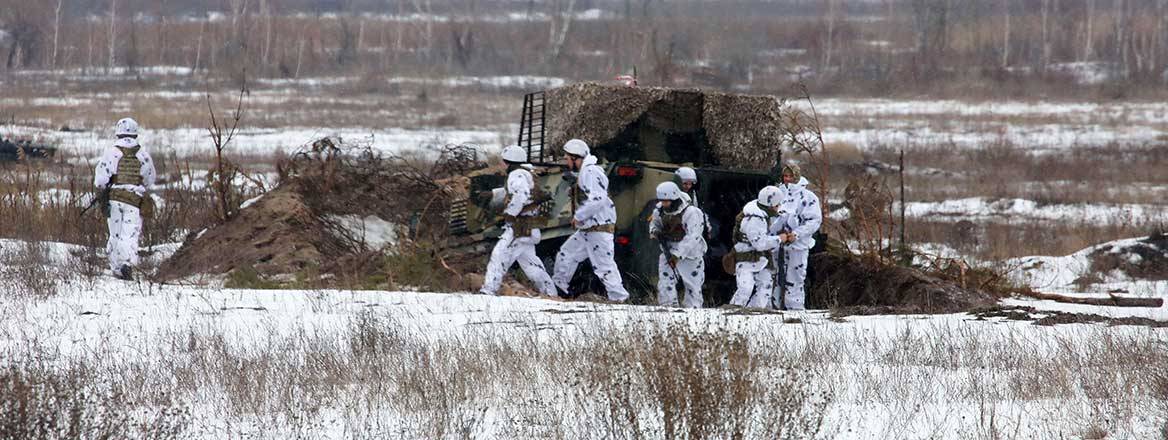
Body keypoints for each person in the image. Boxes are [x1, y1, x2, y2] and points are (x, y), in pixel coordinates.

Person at [551, 139, 630, 302]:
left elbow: (598, 199)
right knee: (566, 255)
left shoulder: (591, 172)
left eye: (567, 158)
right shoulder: (587, 172)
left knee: (605, 268)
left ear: (575, 157)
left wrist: (579, 216)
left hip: (598, 230)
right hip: (588, 230)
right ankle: (559, 290)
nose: (566, 161)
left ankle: (620, 299)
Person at [478, 145, 558, 297]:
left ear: (509, 161)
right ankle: (551, 294)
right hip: (529, 227)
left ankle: (488, 290)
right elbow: (516, 191)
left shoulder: (517, 174)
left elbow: (520, 194)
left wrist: (510, 213)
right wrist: (493, 194)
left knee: (499, 256)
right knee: (532, 265)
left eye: (503, 161)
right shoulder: (526, 173)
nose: (501, 165)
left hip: (519, 227)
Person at [94, 117, 156, 281]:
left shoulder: (111, 153)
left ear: (118, 132)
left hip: (114, 200)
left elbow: (100, 180)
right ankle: (127, 265)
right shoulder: (143, 155)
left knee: (115, 234)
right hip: (134, 201)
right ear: (135, 133)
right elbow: (150, 179)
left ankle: (116, 267)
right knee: (130, 235)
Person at [769, 163, 822, 311]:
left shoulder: (808, 197)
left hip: (798, 245)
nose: (787, 179)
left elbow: (814, 220)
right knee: (774, 277)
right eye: (785, 176)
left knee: (795, 278)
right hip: (776, 243)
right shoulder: (776, 193)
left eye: (790, 176)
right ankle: (774, 308)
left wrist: (797, 234)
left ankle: (795, 311)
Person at [649, 181, 707, 308]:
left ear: (674, 198)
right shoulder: (659, 210)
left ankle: (693, 312)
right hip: (668, 250)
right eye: (662, 201)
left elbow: (693, 236)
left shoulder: (691, 212)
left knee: (693, 286)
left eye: (667, 201)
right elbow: (654, 223)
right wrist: (655, 232)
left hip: (691, 254)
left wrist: (678, 255)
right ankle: (668, 308)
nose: (664, 204)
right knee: (665, 283)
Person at [728, 186, 785, 308]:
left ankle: (754, 313)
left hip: (759, 260)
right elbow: (759, 244)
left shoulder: (761, 215)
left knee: (765, 287)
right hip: (746, 258)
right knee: (745, 289)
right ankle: (732, 314)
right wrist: (780, 238)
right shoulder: (755, 218)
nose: (778, 207)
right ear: (771, 204)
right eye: (777, 204)